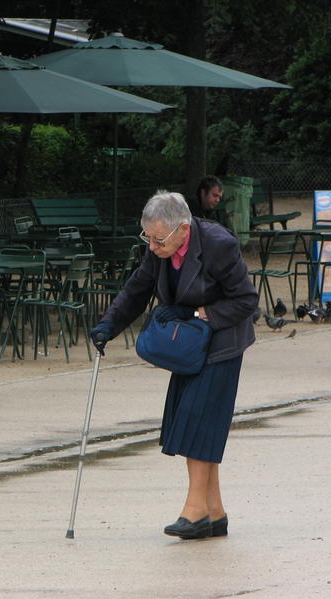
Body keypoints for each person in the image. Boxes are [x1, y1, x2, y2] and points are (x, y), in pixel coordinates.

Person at [89, 191, 258, 540]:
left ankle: (195, 513)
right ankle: (214, 511)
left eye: (158, 239)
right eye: (147, 237)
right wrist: (109, 324)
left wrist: (199, 313)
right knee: (195, 423)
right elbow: (138, 287)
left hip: (223, 341)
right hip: (190, 346)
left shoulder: (218, 244)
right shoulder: (161, 248)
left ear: (183, 229)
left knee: (198, 423)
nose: (152, 246)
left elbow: (246, 301)